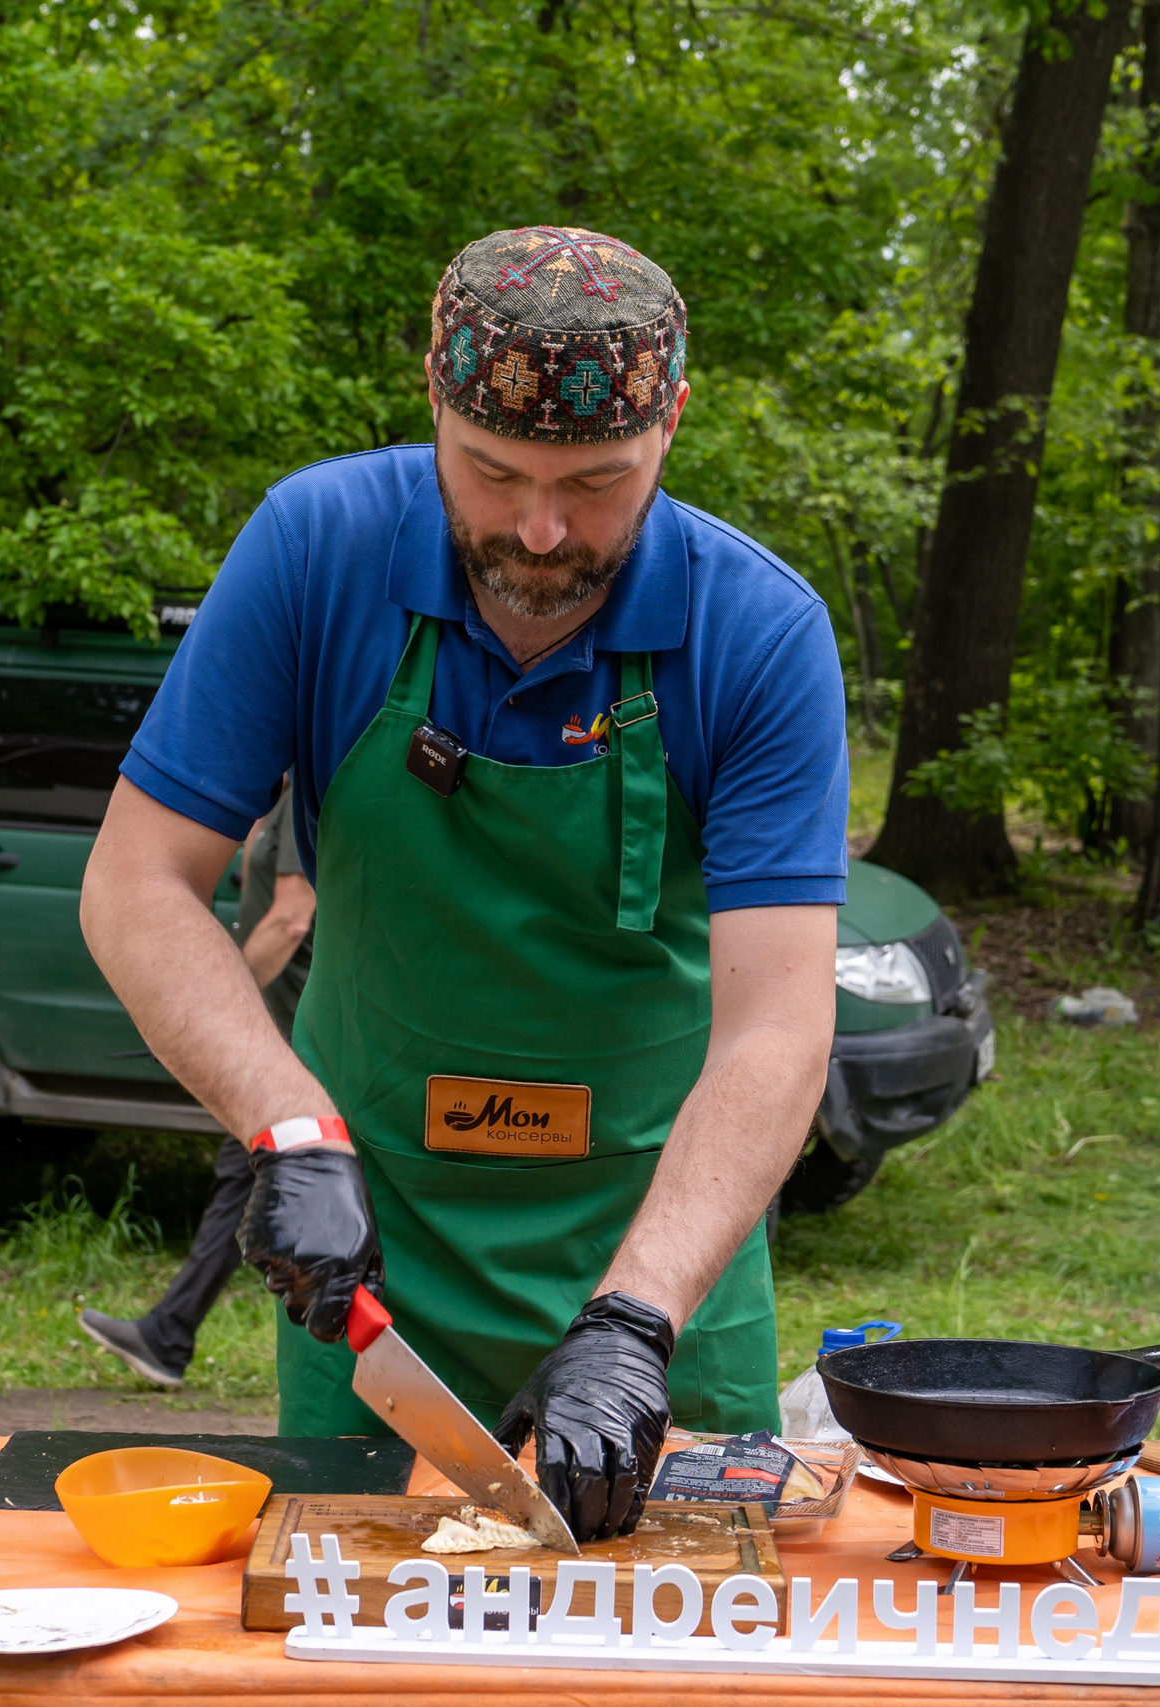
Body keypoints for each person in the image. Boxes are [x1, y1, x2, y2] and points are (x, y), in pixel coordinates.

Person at [78, 226, 847, 1540]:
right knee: (349, 1647)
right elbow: (137, 883)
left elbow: (778, 1022)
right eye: (493, 472)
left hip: (660, 1250)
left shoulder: (757, 631)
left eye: (597, 483)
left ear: (671, 429)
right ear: (433, 406)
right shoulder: (314, 551)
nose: (542, 531)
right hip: (372, 1249)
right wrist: (289, 1129)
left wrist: (635, 1314)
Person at [79, 795, 316, 1388]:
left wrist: (210, 999)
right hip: (283, 1033)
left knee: (248, 1174)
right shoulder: (280, 803)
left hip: (290, 1039)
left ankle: (171, 1333)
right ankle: (170, 1331)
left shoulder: (299, 804)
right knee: (243, 1179)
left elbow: (292, 916)